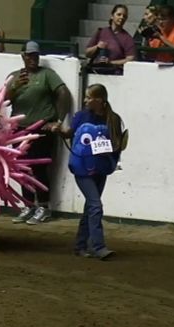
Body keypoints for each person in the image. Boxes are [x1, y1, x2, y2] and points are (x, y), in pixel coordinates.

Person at [49, 84, 126, 260]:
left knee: (91, 207)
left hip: (100, 167)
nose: (85, 101)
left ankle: (81, 245)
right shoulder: (84, 116)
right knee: (95, 205)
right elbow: (69, 133)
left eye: (89, 97)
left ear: (99, 100)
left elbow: (117, 143)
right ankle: (98, 247)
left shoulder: (112, 119)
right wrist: (59, 130)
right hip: (83, 168)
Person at [5, 41, 72, 225]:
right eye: (29, 55)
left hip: (41, 127)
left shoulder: (47, 75)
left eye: (35, 55)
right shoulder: (14, 76)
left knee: (39, 168)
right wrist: (14, 86)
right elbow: (3, 99)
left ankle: (43, 205)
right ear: (23, 56)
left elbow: (63, 93)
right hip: (19, 129)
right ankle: (28, 205)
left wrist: (58, 120)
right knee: (22, 169)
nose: (33, 59)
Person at [84, 4, 136, 72]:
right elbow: (87, 53)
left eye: (124, 16)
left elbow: (130, 59)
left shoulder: (128, 38)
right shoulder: (101, 32)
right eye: (119, 14)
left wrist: (111, 62)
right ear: (112, 16)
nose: (121, 17)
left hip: (115, 73)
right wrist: (97, 47)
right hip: (96, 70)